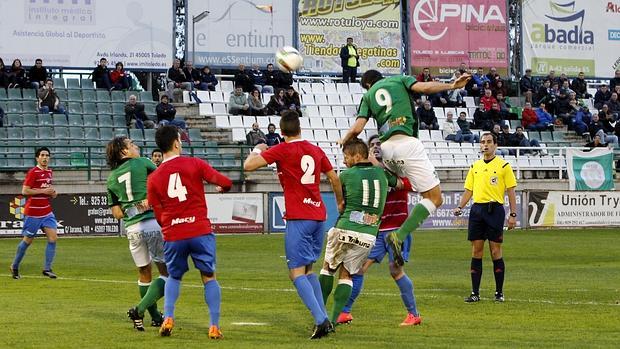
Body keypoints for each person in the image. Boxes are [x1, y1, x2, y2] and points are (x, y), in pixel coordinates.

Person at [339, 69, 471, 266]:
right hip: (406, 144)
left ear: (366, 84)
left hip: (386, 149)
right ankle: (398, 236)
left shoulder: (367, 96)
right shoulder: (399, 80)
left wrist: (344, 140)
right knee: (435, 198)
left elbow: (357, 128)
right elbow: (424, 87)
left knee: (399, 184)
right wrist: (452, 85)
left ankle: (375, 229)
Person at [243, 110, 344, 339]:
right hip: (319, 216)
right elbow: (334, 178)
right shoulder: (315, 149)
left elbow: (248, 166)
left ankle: (320, 320)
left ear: (281, 132)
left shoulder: (282, 149)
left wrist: (259, 148)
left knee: (295, 273)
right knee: (308, 269)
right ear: (300, 129)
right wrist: (339, 202)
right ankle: (324, 318)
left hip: (299, 217)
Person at [146, 125, 232, 338]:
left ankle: (168, 317)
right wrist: (223, 188)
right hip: (199, 230)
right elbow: (225, 182)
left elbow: (157, 212)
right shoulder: (194, 163)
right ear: (176, 143)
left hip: (173, 234)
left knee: (174, 277)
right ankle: (213, 326)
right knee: (209, 277)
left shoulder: (154, 178)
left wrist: (169, 224)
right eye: (180, 140)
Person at [336, 135, 421, 327]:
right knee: (358, 269)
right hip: (376, 230)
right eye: (372, 145)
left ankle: (413, 314)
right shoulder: (367, 175)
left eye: (378, 145)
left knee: (395, 270)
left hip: (397, 231)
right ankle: (345, 312)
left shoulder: (399, 172)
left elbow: (405, 185)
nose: (376, 148)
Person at [318, 139, 396, 327]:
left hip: (345, 228)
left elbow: (340, 195)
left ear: (358, 156)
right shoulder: (383, 174)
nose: (344, 161)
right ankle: (335, 319)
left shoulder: (347, 175)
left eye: (346, 157)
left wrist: (339, 201)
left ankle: (320, 315)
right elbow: (398, 182)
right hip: (368, 235)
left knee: (328, 269)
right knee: (347, 275)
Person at [105, 137, 168, 331]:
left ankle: (156, 316)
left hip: (132, 229)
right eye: (131, 144)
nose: (136, 146)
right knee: (168, 273)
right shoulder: (143, 162)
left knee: (144, 271)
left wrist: (131, 207)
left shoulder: (111, 177)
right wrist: (148, 199)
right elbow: (162, 182)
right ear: (124, 152)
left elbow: (116, 214)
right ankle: (139, 309)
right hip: (152, 224)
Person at [453, 132, 517, 303]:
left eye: (489, 142)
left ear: (496, 145)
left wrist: (512, 214)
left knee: (495, 251)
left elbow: (511, 191)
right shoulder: (475, 167)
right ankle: (475, 293)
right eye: (482, 142)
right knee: (476, 251)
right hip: (477, 211)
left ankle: (499, 292)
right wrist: (460, 206)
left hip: (495, 210)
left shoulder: (504, 166)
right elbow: (469, 190)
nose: (485, 145)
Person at [10, 147, 59, 280]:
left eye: (47, 155)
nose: (45, 158)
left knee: (53, 238)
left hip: (47, 212)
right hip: (33, 213)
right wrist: (43, 192)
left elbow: (46, 191)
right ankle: (14, 265)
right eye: (42, 155)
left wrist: (53, 193)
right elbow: (25, 191)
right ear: (37, 158)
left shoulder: (49, 172)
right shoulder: (33, 172)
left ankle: (47, 269)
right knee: (27, 241)